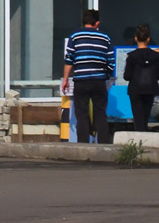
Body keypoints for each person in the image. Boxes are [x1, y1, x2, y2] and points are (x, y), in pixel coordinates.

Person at [60, 8, 114, 143]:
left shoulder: (75, 36)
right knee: (101, 113)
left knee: (82, 114)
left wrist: (66, 79)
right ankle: (103, 143)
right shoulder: (105, 38)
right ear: (97, 23)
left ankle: (83, 144)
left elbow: (69, 60)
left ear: (84, 22)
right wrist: (105, 74)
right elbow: (111, 62)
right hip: (99, 81)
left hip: (81, 80)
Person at [123, 23, 159, 131]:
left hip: (135, 90)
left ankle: (140, 141)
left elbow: (127, 76)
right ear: (148, 39)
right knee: (145, 117)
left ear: (135, 38)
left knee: (138, 118)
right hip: (151, 89)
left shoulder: (131, 57)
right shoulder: (155, 56)